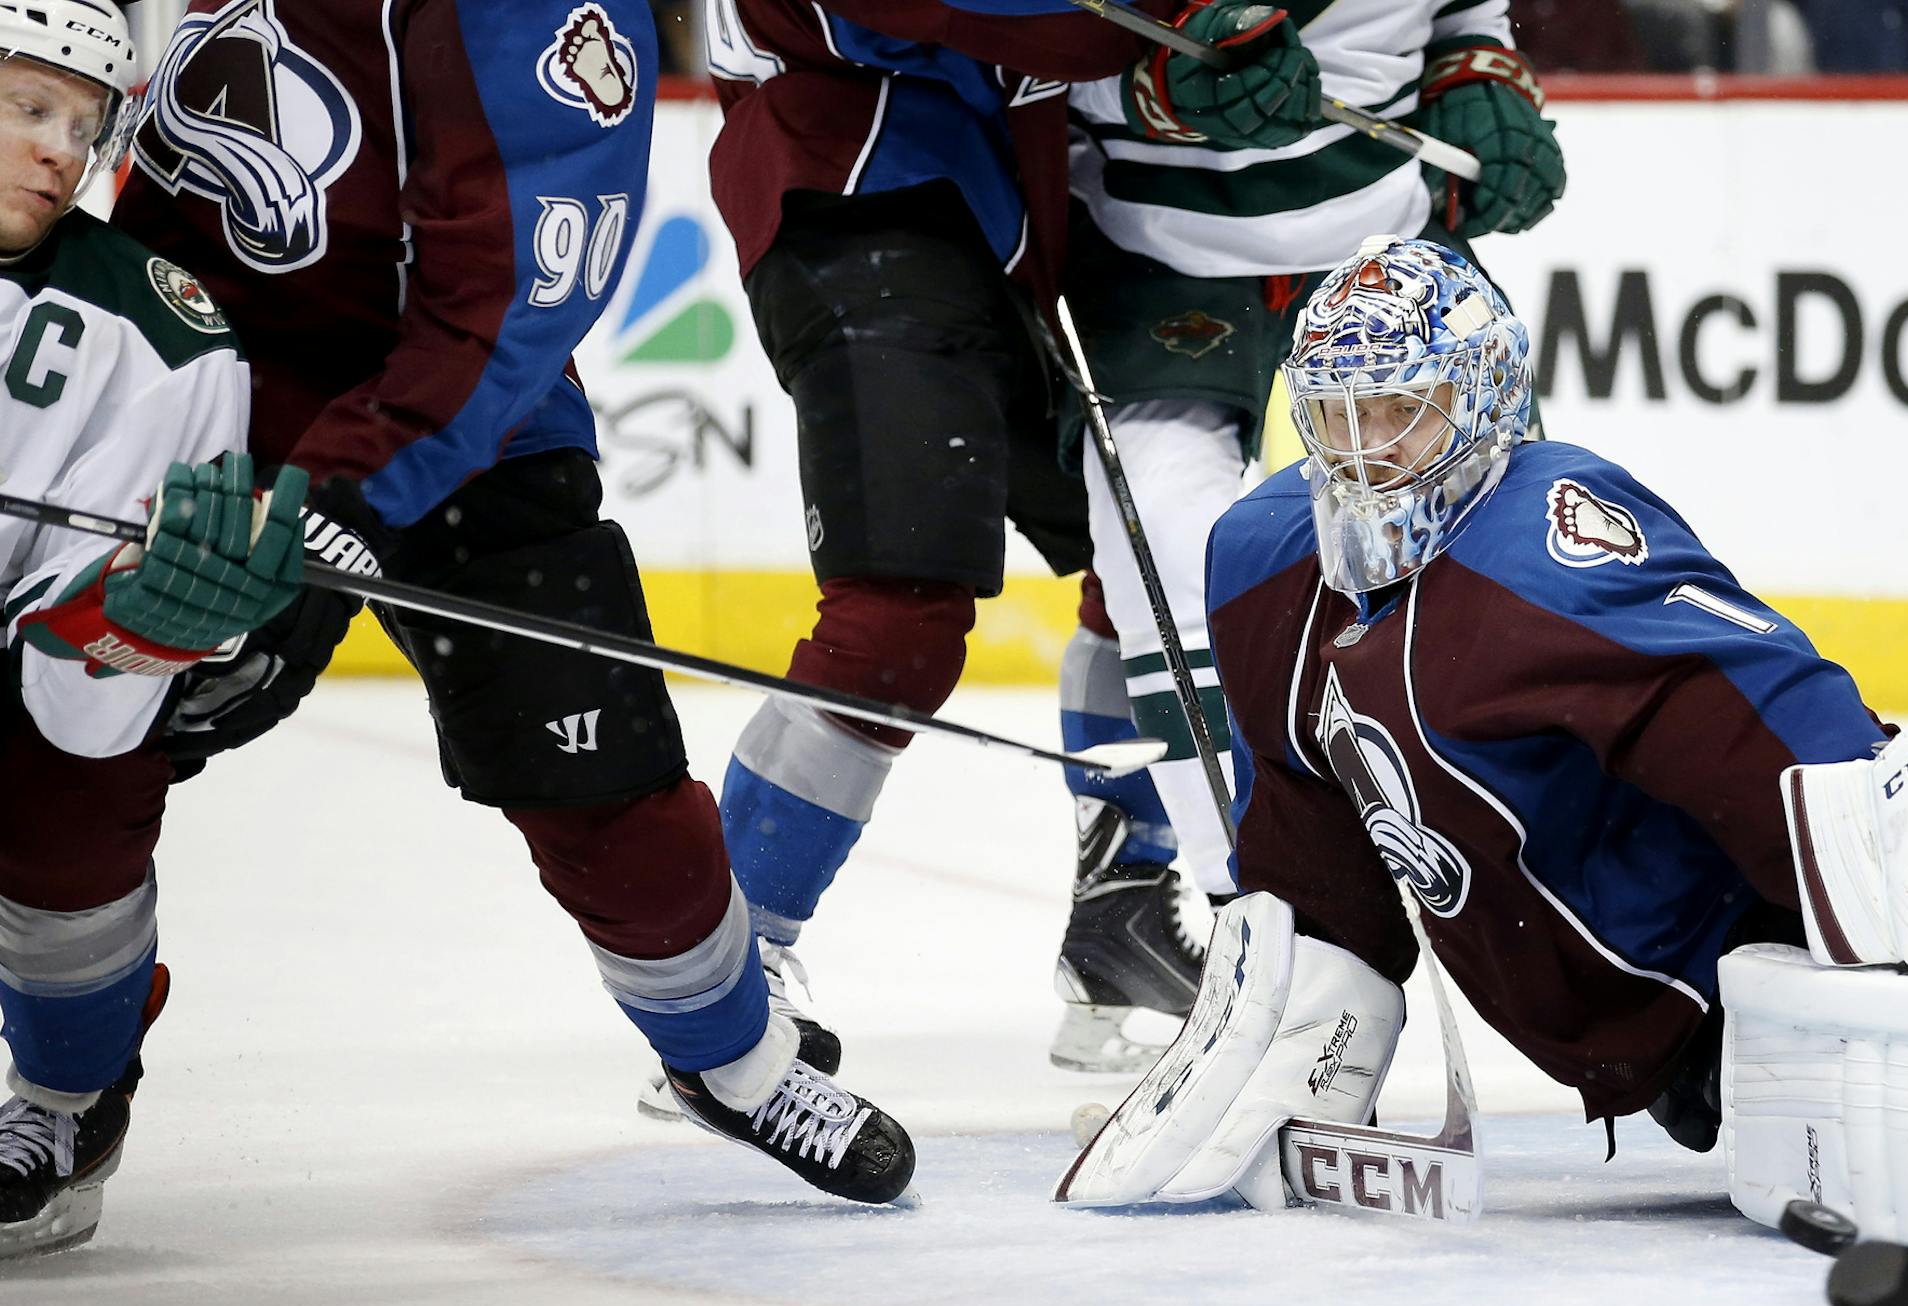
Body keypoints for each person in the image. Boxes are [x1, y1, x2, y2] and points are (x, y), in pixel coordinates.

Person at [1058, 238, 1908, 1248]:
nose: (1366, 448)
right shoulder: (1258, 559)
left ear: (1486, 400)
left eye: (1404, 409)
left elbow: (1762, 719)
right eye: (1336, 412)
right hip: (1667, 1048)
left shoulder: (1544, 531)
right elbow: (1315, 844)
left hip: (1772, 965)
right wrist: (1308, 987)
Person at [106, 0, 911, 1209]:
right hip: (193, 390)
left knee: (609, 784)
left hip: (463, 431)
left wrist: (342, 496)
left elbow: (510, 302)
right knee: (74, 755)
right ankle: (65, 1092)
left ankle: (734, 1063)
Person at [653, 0, 1162, 1107]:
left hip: (1002, 246)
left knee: (1149, 565)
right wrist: (1170, 23)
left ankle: (1128, 909)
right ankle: (718, 1000)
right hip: (858, 207)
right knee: (895, 622)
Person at [1051, 0, 1565, 1070]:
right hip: (1148, 246)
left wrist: (1483, 65)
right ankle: (1265, 947)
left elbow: (1464, 11)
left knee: (1503, 553)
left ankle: (1566, 906)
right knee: (1170, 553)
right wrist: (1136, 86)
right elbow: (1017, 34)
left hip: (1390, 239)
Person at [0, 0, 311, 1257]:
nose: (62, 154)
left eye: (84, 127)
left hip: (20, 680)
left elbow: (76, 681)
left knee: (73, 805)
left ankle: (70, 1099)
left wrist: (129, 627)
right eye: (28, 111)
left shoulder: (160, 328)